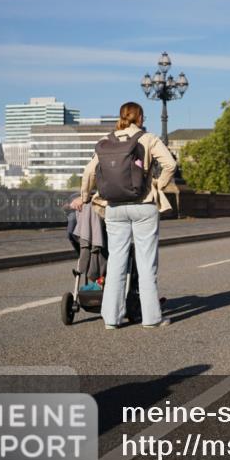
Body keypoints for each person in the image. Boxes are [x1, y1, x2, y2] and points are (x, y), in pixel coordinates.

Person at [75, 102, 176, 329]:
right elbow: (169, 164)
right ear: (139, 117)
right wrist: (158, 184)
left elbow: (89, 172)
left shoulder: (108, 141)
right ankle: (151, 319)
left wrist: (84, 197)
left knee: (116, 263)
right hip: (144, 204)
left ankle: (111, 319)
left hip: (114, 207)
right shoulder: (147, 138)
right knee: (146, 263)